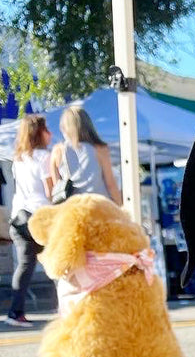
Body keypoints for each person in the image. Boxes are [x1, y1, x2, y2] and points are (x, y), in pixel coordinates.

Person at [5, 114, 53, 327]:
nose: (49, 133)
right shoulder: (44, 157)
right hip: (40, 218)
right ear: (39, 133)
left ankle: (15, 312)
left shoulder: (19, 158)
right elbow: (50, 191)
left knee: (25, 265)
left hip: (19, 218)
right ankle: (68, 308)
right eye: (46, 129)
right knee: (56, 260)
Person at [49, 105, 122, 206]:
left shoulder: (57, 151)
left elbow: (57, 186)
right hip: (98, 205)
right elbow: (110, 184)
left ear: (64, 128)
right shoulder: (100, 149)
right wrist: (120, 207)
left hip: (73, 209)